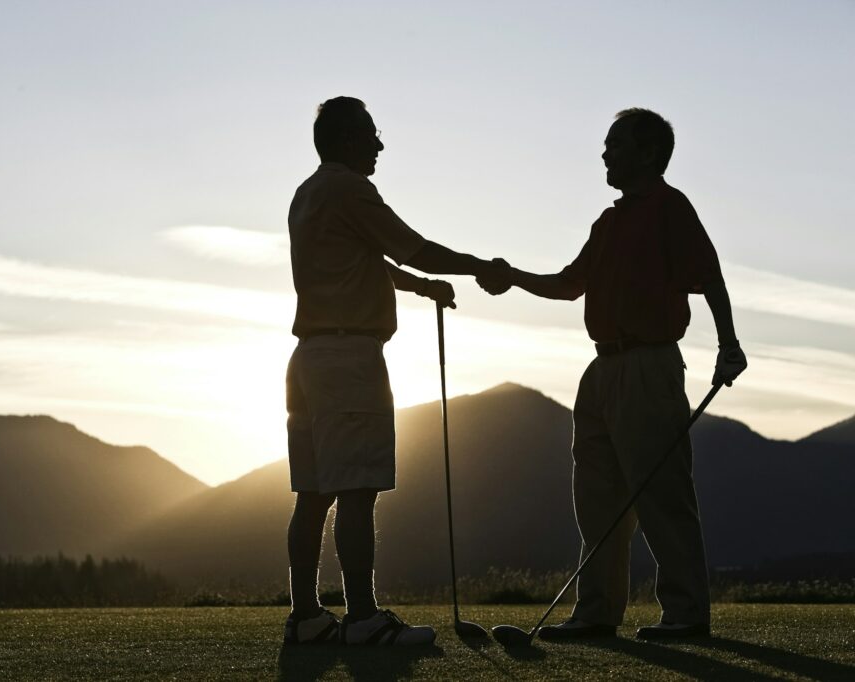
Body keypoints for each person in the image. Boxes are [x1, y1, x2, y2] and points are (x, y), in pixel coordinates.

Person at [480, 108, 748, 640]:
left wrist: (729, 343)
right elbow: (569, 284)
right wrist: (512, 277)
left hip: (650, 364)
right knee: (597, 499)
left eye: (614, 144)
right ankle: (596, 614)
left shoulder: (671, 208)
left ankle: (686, 614)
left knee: (662, 495)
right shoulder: (609, 221)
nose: (605, 154)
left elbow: (708, 274)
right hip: (601, 368)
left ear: (647, 152)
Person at [283, 96, 507, 646]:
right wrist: (478, 266)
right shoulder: (350, 188)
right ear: (345, 139)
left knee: (312, 494)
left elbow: (369, 259)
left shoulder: (308, 194)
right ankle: (363, 619)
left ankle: (307, 618)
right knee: (358, 489)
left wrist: (420, 288)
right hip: (349, 359)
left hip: (307, 359)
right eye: (370, 133)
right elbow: (411, 248)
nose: (380, 144)